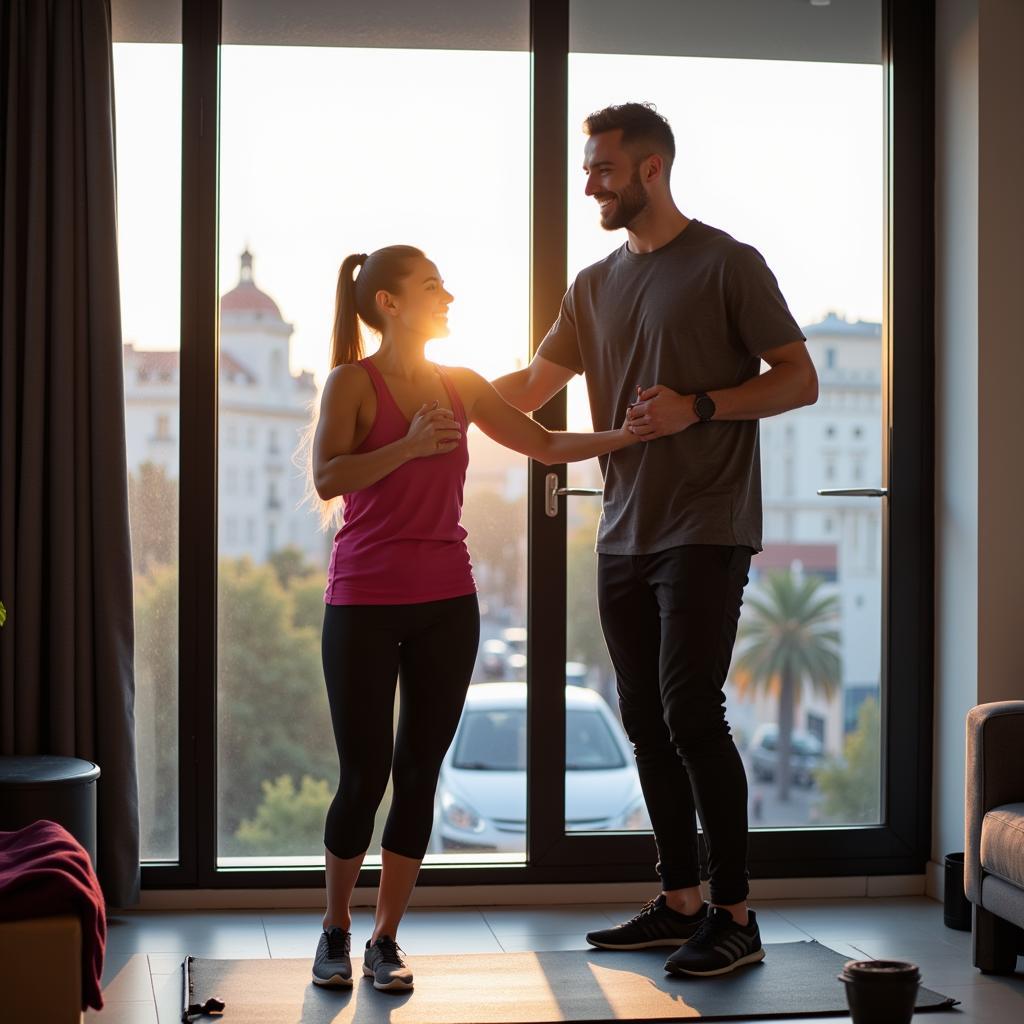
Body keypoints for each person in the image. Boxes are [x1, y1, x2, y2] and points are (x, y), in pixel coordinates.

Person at [492, 102, 818, 978]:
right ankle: (679, 902)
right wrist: (431, 393)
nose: (589, 182)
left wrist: (699, 406)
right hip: (624, 526)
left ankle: (736, 913)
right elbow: (529, 385)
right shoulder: (593, 286)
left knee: (689, 711)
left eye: (601, 167)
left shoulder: (726, 263)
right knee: (643, 718)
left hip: (707, 522)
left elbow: (800, 379)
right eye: (586, 166)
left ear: (651, 169)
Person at [307, 244, 639, 992]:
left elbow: (546, 443)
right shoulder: (352, 383)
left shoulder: (463, 385)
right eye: (431, 286)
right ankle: (334, 928)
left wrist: (626, 437)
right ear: (388, 303)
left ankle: (385, 939)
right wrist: (407, 445)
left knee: (418, 775)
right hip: (360, 601)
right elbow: (328, 476)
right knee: (363, 777)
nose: (447, 294)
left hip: (446, 607)